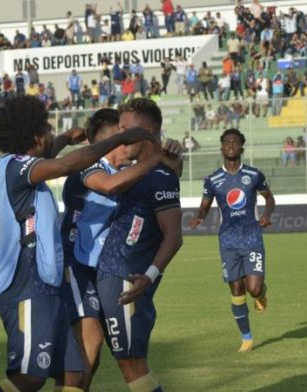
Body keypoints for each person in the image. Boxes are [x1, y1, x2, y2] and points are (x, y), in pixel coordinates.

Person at [0, 95, 157, 392]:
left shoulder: (21, 165)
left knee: (73, 376)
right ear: (35, 137)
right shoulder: (15, 168)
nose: (53, 136)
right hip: (25, 284)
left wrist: (66, 136)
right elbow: (66, 164)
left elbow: (50, 153)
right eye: (48, 130)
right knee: (30, 377)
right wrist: (122, 139)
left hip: (46, 286)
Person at [62, 108, 179, 390]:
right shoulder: (90, 166)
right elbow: (112, 186)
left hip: (104, 267)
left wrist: (171, 164)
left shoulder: (127, 170)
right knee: (90, 343)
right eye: (122, 135)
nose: (128, 141)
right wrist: (154, 159)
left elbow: (159, 190)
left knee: (96, 356)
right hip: (75, 264)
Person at [97, 98, 183, 391]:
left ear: (147, 131)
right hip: (109, 275)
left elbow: (174, 236)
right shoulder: (144, 170)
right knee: (86, 362)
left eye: (125, 129)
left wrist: (150, 276)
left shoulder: (159, 175)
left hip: (126, 280)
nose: (119, 136)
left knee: (132, 365)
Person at [189, 128, 275, 353]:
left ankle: (261, 294)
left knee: (253, 289)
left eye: (235, 142)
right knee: (236, 289)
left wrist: (267, 214)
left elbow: (269, 197)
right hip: (228, 240)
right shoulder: (213, 180)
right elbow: (205, 204)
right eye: (227, 142)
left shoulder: (254, 175)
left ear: (241, 148)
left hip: (252, 237)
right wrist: (199, 216)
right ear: (221, 147)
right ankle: (246, 338)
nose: (231, 145)